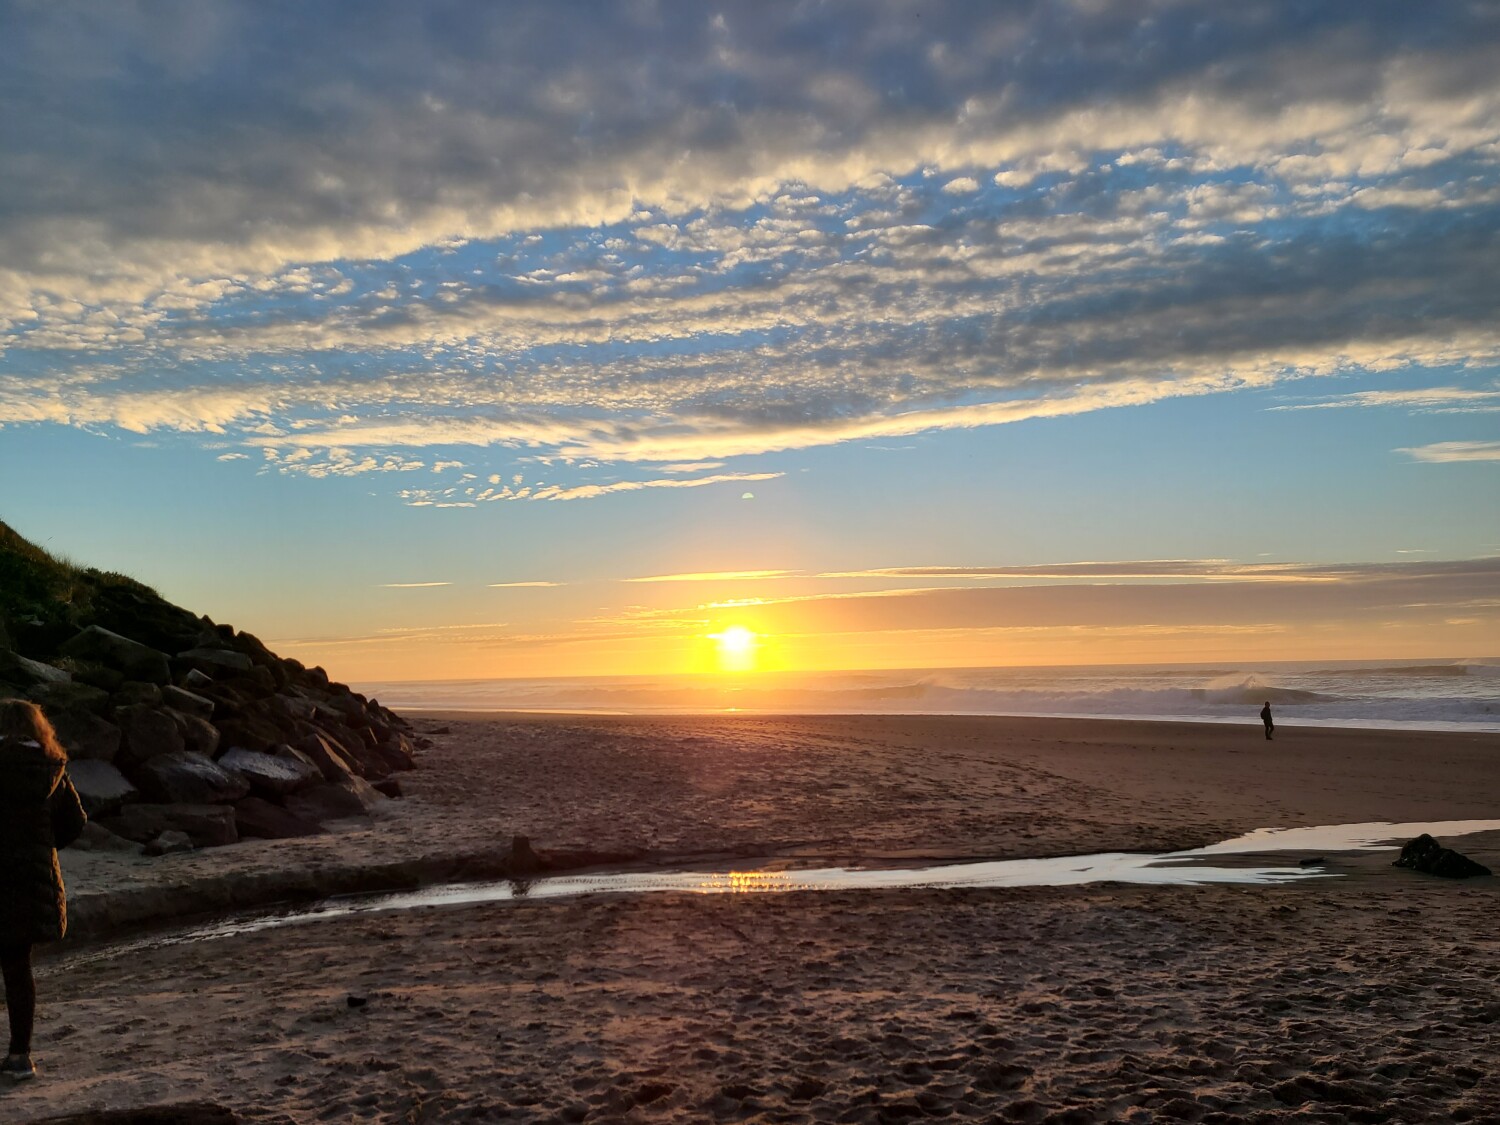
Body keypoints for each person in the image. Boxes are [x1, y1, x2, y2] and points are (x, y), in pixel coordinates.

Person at [0, 699, 87, 1083]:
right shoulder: (51, 769)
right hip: (30, 883)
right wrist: (42, 849)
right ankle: (20, 1057)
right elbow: (75, 823)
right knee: (18, 969)